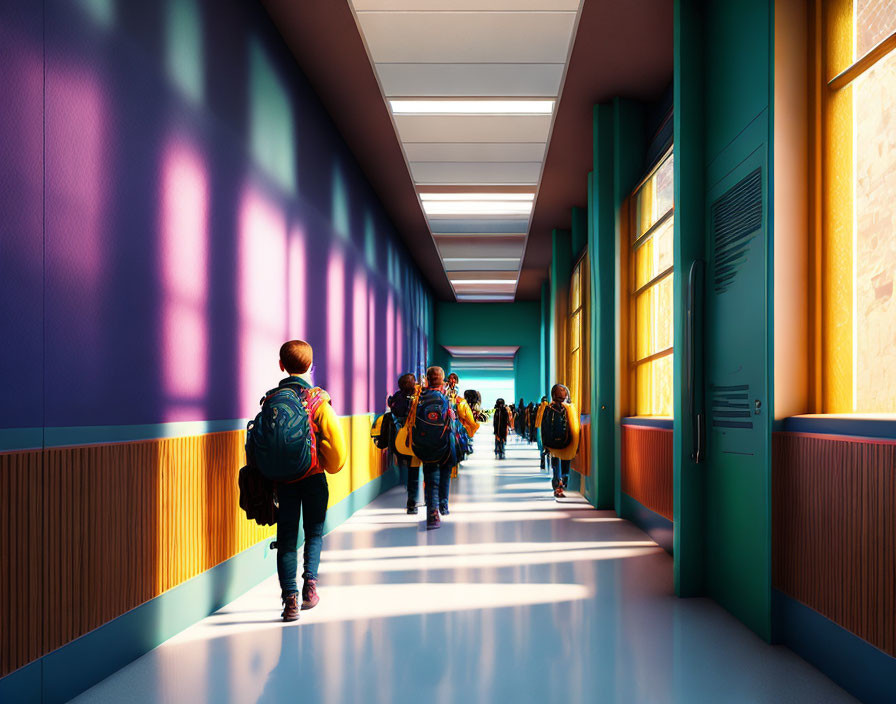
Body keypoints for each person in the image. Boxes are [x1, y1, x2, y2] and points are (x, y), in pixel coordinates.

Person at [248, 340, 347, 622]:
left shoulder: (271, 400)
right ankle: (310, 589)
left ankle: (289, 600)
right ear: (311, 366)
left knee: (287, 539)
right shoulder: (318, 401)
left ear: (281, 365)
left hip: (283, 481)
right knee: (314, 533)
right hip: (314, 477)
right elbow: (337, 450)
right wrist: (327, 463)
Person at [407, 366, 456, 529]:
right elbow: (451, 421)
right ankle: (443, 505)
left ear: (428, 379)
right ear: (442, 379)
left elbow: (411, 420)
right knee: (445, 473)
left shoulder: (419, 397)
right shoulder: (445, 397)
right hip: (444, 445)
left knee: (430, 478)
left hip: (425, 444)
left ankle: (432, 513)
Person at [537, 384, 581, 498]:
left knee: (559, 466)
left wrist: (545, 444)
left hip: (558, 444)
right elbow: (573, 428)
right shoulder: (566, 409)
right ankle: (560, 485)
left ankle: (559, 485)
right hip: (562, 444)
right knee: (560, 465)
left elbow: (545, 427)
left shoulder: (555, 409)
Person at [389, 373, 420, 514]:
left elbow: (394, 409)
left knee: (405, 464)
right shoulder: (418, 397)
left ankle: (409, 495)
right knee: (415, 470)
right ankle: (414, 501)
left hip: (400, 438)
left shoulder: (397, 396)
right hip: (416, 439)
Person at [535, 396, 550, 469]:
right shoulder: (549, 407)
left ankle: (543, 461)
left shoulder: (540, 408)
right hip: (546, 427)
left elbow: (537, 419)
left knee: (541, 445)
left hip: (539, 427)